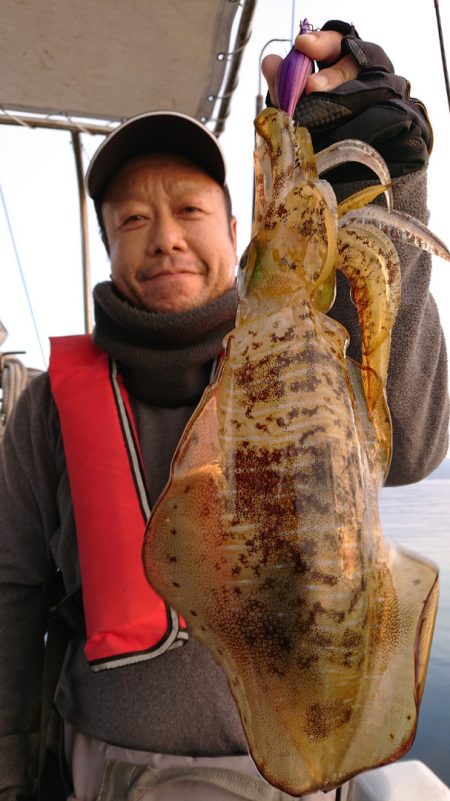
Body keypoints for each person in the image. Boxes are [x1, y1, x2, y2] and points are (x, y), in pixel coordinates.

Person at [0, 21, 448, 801]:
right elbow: (10, 589)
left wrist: (398, 178)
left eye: (188, 208)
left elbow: (410, 442)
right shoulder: (45, 411)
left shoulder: (309, 353)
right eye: (133, 219)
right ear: (107, 241)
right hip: (110, 773)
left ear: (235, 227)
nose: (164, 237)